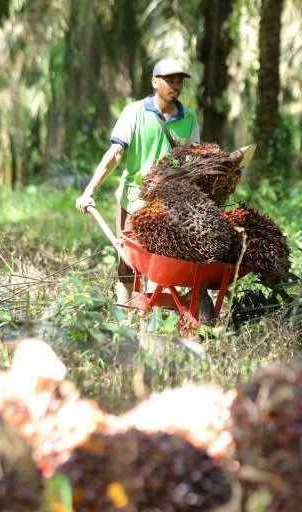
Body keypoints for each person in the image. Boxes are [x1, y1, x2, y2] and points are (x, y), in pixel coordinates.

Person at [76, 58, 214, 320]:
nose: (176, 86)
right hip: (133, 200)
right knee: (128, 259)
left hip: (170, 205)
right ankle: (123, 313)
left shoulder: (188, 118)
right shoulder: (135, 112)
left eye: (179, 81)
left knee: (160, 263)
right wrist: (89, 189)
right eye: (169, 80)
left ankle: (153, 313)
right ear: (154, 82)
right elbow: (116, 154)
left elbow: (194, 161)